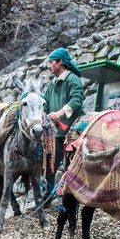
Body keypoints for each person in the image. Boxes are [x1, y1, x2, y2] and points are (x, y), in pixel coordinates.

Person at [43, 47, 85, 208]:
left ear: (60, 62)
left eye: (52, 62)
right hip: (58, 134)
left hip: (75, 132)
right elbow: (45, 102)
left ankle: (72, 200)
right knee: (51, 166)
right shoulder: (51, 84)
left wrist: (59, 113)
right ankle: (46, 199)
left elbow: (76, 100)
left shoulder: (73, 79)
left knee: (72, 167)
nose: (50, 66)